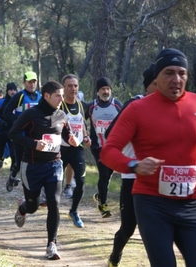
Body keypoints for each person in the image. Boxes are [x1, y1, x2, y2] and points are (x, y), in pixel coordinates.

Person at [101, 48, 196, 267]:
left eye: (182, 73)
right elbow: (109, 151)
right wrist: (133, 165)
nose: (176, 79)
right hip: (153, 203)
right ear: (156, 76)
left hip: (192, 204)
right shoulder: (137, 109)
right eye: (169, 73)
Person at [9, 81, 76, 260]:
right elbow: (13, 133)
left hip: (54, 164)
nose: (62, 99)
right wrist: (34, 144)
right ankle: (23, 208)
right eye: (58, 96)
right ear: (46, 96)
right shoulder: (31, 114)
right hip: (31, 165)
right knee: (33, 206)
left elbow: (65, 133)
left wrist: (72, 140)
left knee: (54, 203)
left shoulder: (62, 114)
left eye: (62, 95)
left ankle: (51, 244)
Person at [104, 63, 156, 267]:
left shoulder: (169, 108)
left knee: (157, 228)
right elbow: (110, 135)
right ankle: (115, 256)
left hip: (158, 178)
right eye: (155, 83)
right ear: (148, 85)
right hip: (132, 176)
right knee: (128, 227)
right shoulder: (134, 105)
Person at [85, 77, 122, 218]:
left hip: (114, 146)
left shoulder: (117, 105)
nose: (105, 92)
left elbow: (126, 120)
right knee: (104, 173)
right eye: (102, 89)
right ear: (98, 92)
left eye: (108, 89)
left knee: (109, 174)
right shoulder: (92, 106)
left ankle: (100, 195)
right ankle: (103, 205)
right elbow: (81, 119)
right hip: (98, 147)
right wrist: (85, 135)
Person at [60, 74, 91, 228]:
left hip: (77, 149)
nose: (73, 89)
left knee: (81, 181)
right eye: (69, 86)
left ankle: (74, 210)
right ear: (63, 89)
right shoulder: (59, 106)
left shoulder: (81, 105)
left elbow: (82, 123)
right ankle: (47, 205)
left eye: (75, 86)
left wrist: (86, 136)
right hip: (60, 149)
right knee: (53, 181)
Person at [3, 71, 41, 191]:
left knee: (36, 161)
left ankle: (32, 186)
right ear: (24, 82)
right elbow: (6, 113)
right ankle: (13, 176)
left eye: (34, 82)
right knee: (20, 162)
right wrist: (19, 120)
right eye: (29, 82)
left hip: (35, 134)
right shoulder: (19, 96)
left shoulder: (40, 96)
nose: (32, 84)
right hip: (21, 135)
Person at [0, 82, 17, 178]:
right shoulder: (0, 102)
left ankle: (11, 175)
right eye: (11, 90)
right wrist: (0, 121)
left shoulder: (19, 102)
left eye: (14, 90)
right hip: (2, 131)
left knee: (14, 155)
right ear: (7, 91)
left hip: (13, 132)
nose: (13, 92)